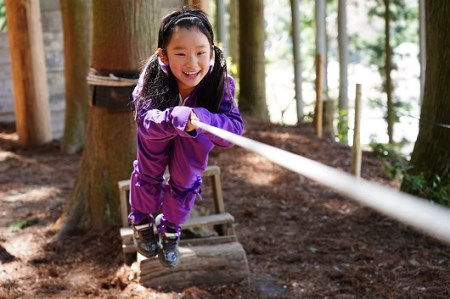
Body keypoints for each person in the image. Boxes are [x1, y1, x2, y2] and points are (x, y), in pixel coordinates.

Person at [128, 7, 244, 268]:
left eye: (201, 53)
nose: (192, 64)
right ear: (164, 55)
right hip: (158, 133)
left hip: (196, 135)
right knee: (148, 172)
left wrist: (203, 119)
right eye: (180, 54)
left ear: (212, 51)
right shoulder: (151, 76)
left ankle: (170, 230)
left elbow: (233, 130)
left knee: (185, 179)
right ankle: (141, 218)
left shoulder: (221, 81)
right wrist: (171, 117)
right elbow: (145, 122)